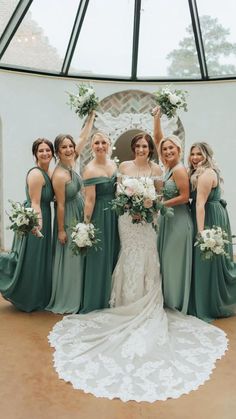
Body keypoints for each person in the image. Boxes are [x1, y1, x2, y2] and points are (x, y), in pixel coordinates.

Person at [48, 132, 227, 403]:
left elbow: (157, 195)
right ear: (133, 148)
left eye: (146, 145)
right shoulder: (123, 167)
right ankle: (124, 298)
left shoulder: (158, 169)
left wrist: (147, 205)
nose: (142, 148)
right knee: (128, 254)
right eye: (138, 145)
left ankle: (147, 298)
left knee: (147, 254)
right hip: (126, 219)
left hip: (148, 219)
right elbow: (120, 191)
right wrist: (131, 203)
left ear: (149, 149)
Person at [46, 111, 96, 314]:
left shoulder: (72, 161)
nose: (68, 149)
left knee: (81, 254)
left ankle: (81, 294)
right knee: (71, 258)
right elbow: (60, 205)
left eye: (70, 146)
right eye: (63, 147)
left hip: (79, 210)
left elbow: (83, 137)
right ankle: (69, 296)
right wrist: (60, 230)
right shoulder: (58, 174)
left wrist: (91, 115)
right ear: (57, 151)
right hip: (67, 217)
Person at [0, 138, 54, 311]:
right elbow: (36, 202)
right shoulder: (36, 174)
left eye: (47, 150)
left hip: (42, 214)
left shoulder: (48, 172)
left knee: (37, 259)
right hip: (35, 218)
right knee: (32, 258)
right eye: (41, 151)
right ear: (35, 154)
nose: (45, 153)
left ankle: (36, 295)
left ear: (52, 153)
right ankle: (26, 297)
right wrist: (38, 225)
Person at [187, 142, 236, 321]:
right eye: (192, 154)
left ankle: (208, 302)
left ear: (207, 156)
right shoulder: (196, 172)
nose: (195, 158)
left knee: (207, 258)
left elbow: (200, 204)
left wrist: (202, 234)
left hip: (208, 218)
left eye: (199, 154)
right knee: (208, 261)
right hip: (208, 214)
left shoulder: (207, 174)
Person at [153, 107, 193, 313]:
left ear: (179, 150)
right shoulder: (168, 166)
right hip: (168, 219)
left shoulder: (178, 169)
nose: (168, 151)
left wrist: (160, 204)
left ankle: (176, 301)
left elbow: (185, 197)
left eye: (172, 149)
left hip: (179, 220)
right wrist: (157, 118)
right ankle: (167, 298)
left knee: (173, 260)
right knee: (165, 260)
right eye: (165, 149)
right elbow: (158, 137)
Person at [80, 131, 120, 313]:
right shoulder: (90, 169)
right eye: (96, 143)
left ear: (109, 144)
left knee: (115, 252)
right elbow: (89, 200)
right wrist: (86, 226)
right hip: (100, 216)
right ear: (91, 146)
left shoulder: (113, 165)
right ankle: (97, 299)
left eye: (104, 142)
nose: (100, 146)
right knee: (100, 256)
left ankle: (114, 296)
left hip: (116, 214)